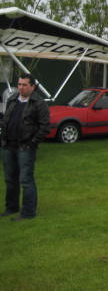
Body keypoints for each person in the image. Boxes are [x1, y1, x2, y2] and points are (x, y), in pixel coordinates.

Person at [1, 73, 50, 221]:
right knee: (10, 179)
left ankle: (28, 212)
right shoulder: (12, 99)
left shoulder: (39, 103)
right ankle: (11, 207)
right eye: (19, 84)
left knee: (26, 179)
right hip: (8, 145)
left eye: (24, 85)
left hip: (25, 147)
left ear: (32, 87)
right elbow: (6, 119)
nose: (21, 88)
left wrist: (32, 143)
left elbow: (45, 127)